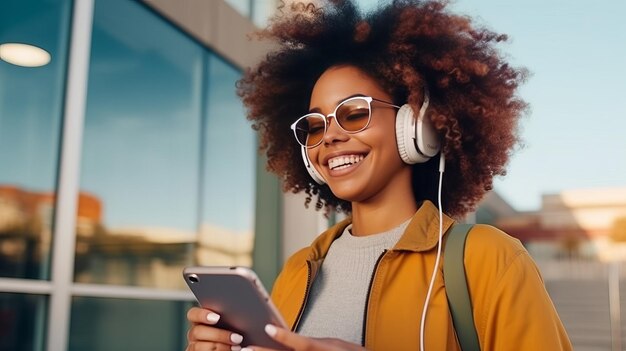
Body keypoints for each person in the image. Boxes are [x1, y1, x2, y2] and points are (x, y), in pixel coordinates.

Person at [186, 1, 573, 350]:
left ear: (416, 127)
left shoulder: (489, 259)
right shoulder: (299, 269)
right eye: (315, 126)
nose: (331, 135)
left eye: (354, 113)